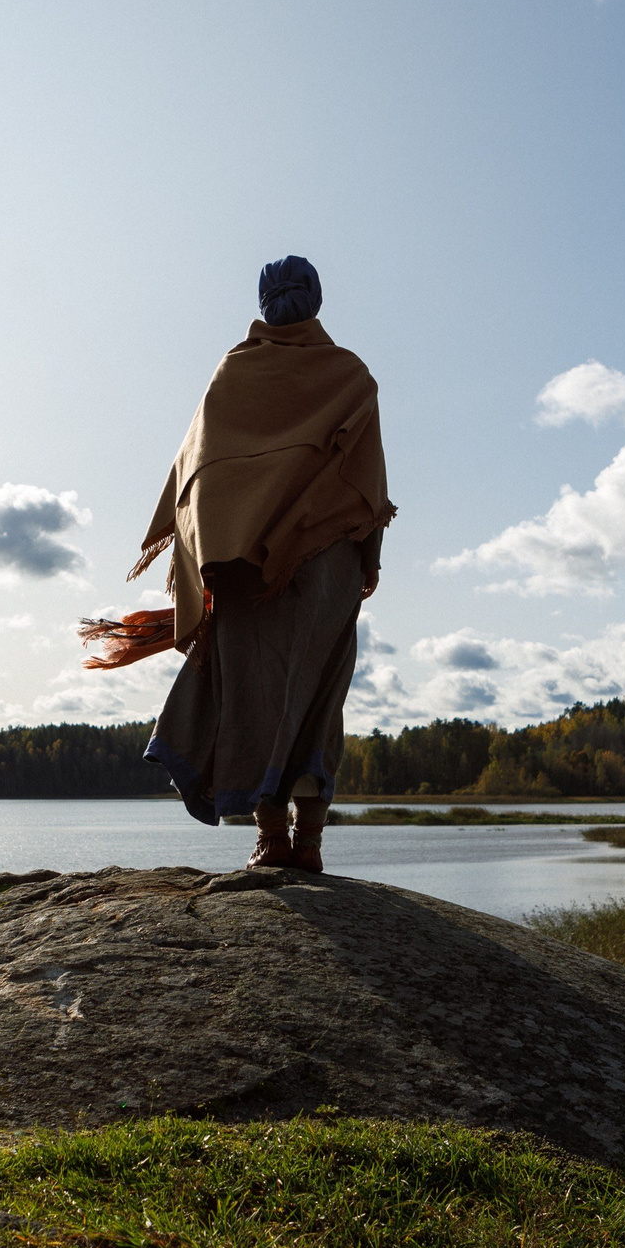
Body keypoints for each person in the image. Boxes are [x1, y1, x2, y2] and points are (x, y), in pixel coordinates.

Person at [79, 255, 392, 871]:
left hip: (248, 566)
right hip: (328, 562)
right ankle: (305, 845)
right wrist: (369, 559)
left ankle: (272, 838)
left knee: (254, 692)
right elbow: (366, 488)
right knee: (316, 694)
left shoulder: (238, 371)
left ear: (262, 301)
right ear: (318, 300)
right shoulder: (349, 374)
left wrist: (210, 553)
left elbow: (199, 475)